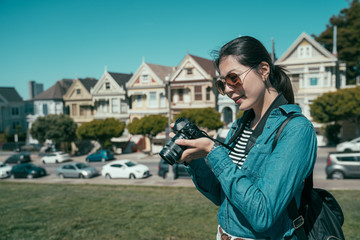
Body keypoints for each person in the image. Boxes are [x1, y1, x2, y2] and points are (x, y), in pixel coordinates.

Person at [169, 36, 317, 239]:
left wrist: (213, 151)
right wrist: (192, 159)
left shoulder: (297, 129)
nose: (228, 90)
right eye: (222, 84)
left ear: (263, 70)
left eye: (233, 78)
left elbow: (262, 214)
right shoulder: (240, 125)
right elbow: (220, 195)